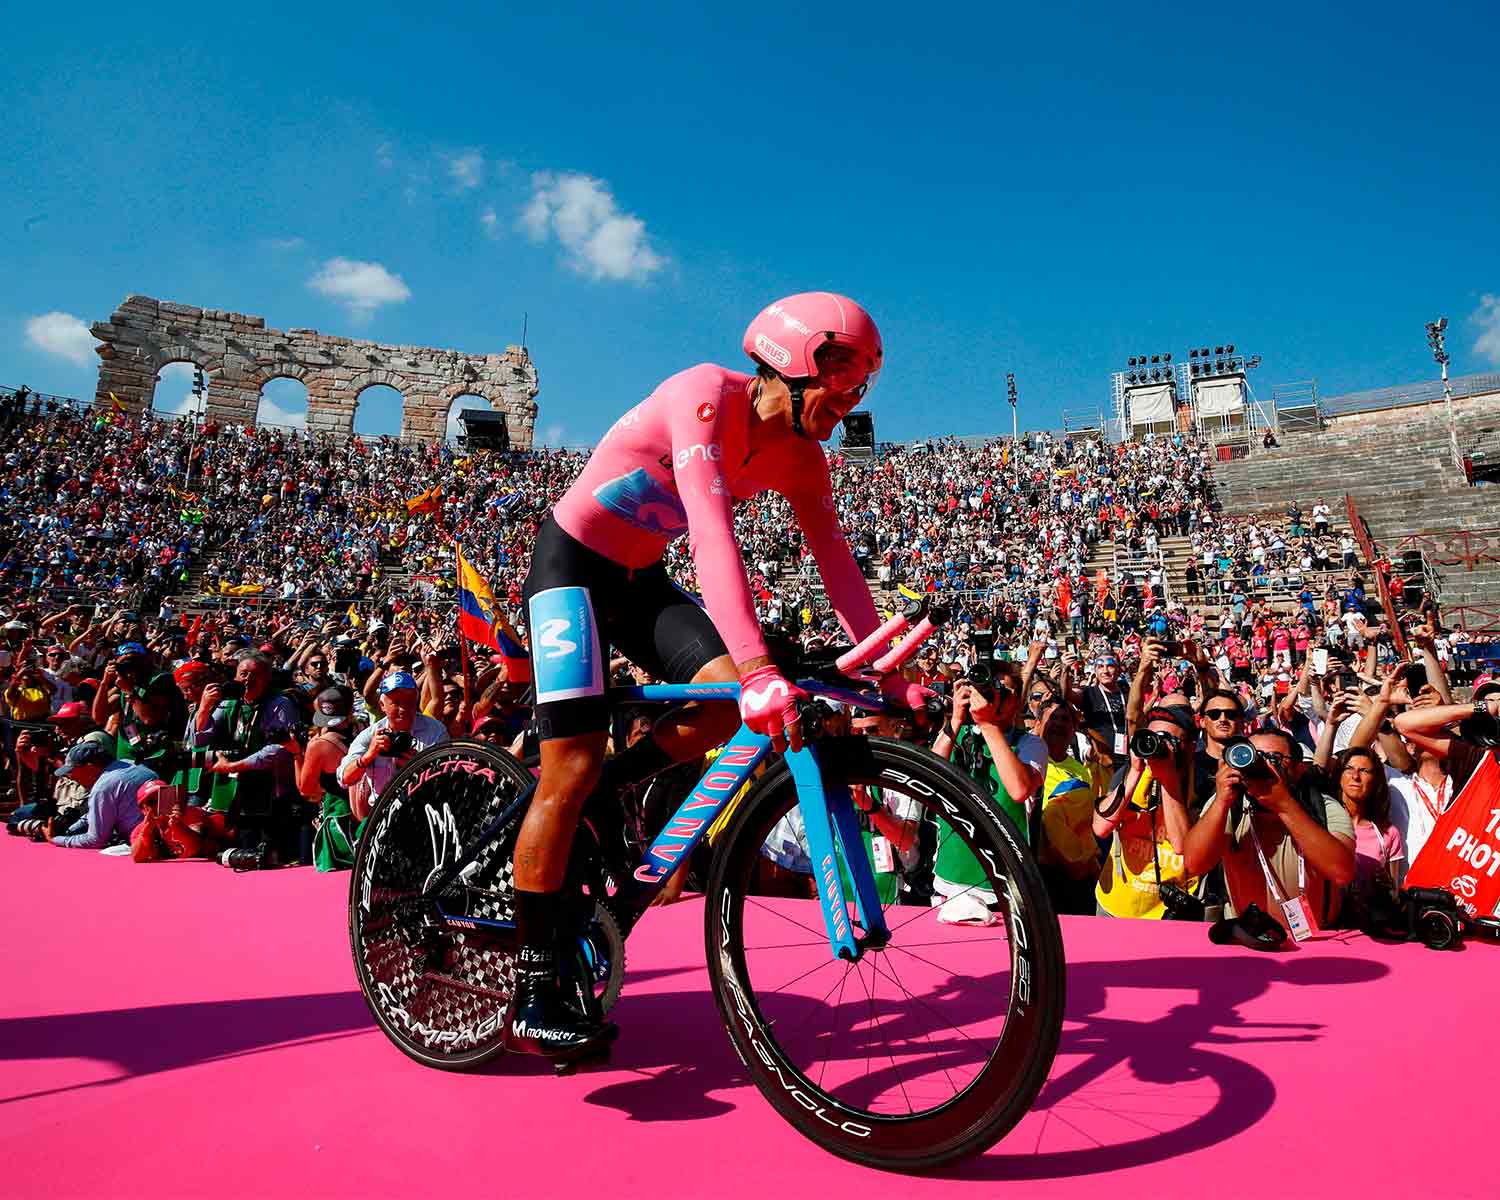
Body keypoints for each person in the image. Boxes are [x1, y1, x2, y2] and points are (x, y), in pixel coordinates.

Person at [505, 292, 917, 1058]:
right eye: (842, 374)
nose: (851, 398)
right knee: (570, 764)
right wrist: (760, 667)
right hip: (570, 567)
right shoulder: (704, 396)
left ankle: (606, 794)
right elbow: (710, 533)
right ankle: (534, 989)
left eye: (864, 384)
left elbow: (837, 564)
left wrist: (893, 674)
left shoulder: (803, 457)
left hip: (640, 581)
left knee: (727, 706)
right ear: (791, 360)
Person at [1184, 727, 1356, 934]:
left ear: (1298, 769)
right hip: (1248, 937)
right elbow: (1194, 863)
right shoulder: (1229, 804)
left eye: (1274, 757)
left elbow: (1342, 872)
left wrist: (1284, 805)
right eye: (1254, 755)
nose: (1261, 764)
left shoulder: (1324, 808)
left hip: (1316, 938)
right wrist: (1221, 800)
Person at [1093, 702, 1203, 919]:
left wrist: (1168, 778)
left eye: (1168, 739)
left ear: (1191, 746)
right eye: (1153, 737)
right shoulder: (1131, 773)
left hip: (1172, 910)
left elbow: (1183, 846)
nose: (1158, 745)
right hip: (1117, 904)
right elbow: (1101, 827)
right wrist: (1134, 771)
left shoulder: (1201, 782)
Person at [337, 672, 448, 814]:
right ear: (382, 705)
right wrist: (368, 756)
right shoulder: (370, 735)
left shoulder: (435, 731)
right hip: (381, 815)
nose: (403, 709)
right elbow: (344, 779)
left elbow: (446, 779)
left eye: (409, 701)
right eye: (396, 702)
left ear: (416, 701)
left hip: (424, 809)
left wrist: (420, 766)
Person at [46, 740, 158, 849]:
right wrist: (69, 830)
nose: (71, 777)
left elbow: (96, 840)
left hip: (144, 845)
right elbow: (99, 812)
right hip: (165, 836)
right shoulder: (132, 765)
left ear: (89, 767)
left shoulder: (102, 788)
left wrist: (55, 839)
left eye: (71, 771)